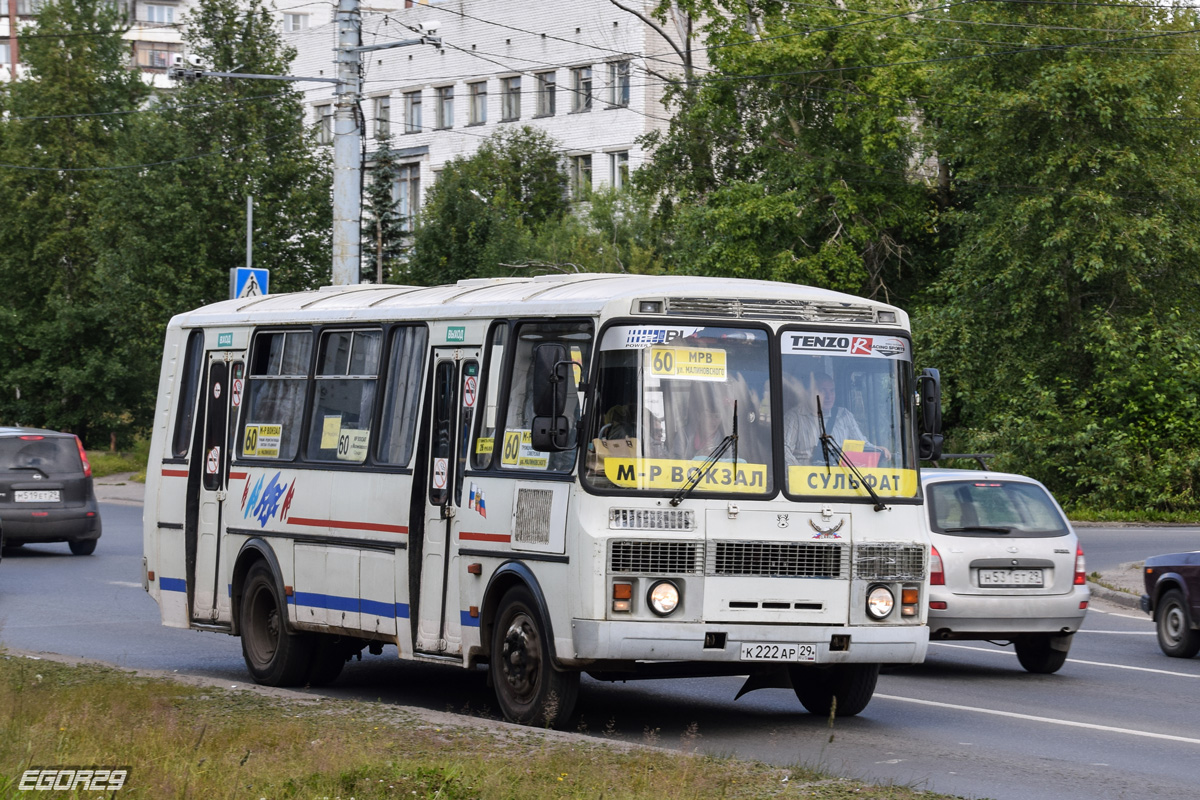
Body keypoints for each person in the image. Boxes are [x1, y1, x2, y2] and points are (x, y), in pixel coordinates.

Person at [783, 373, 890, 466]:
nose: (829, 396)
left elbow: (862, 445)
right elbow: (783, 450)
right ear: (809, 393)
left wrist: (877, 450)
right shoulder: (794, 417)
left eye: (832, 391)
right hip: (805, 485)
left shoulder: (844, 415)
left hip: (839, 482)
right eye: (822, 391)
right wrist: (800, 473)